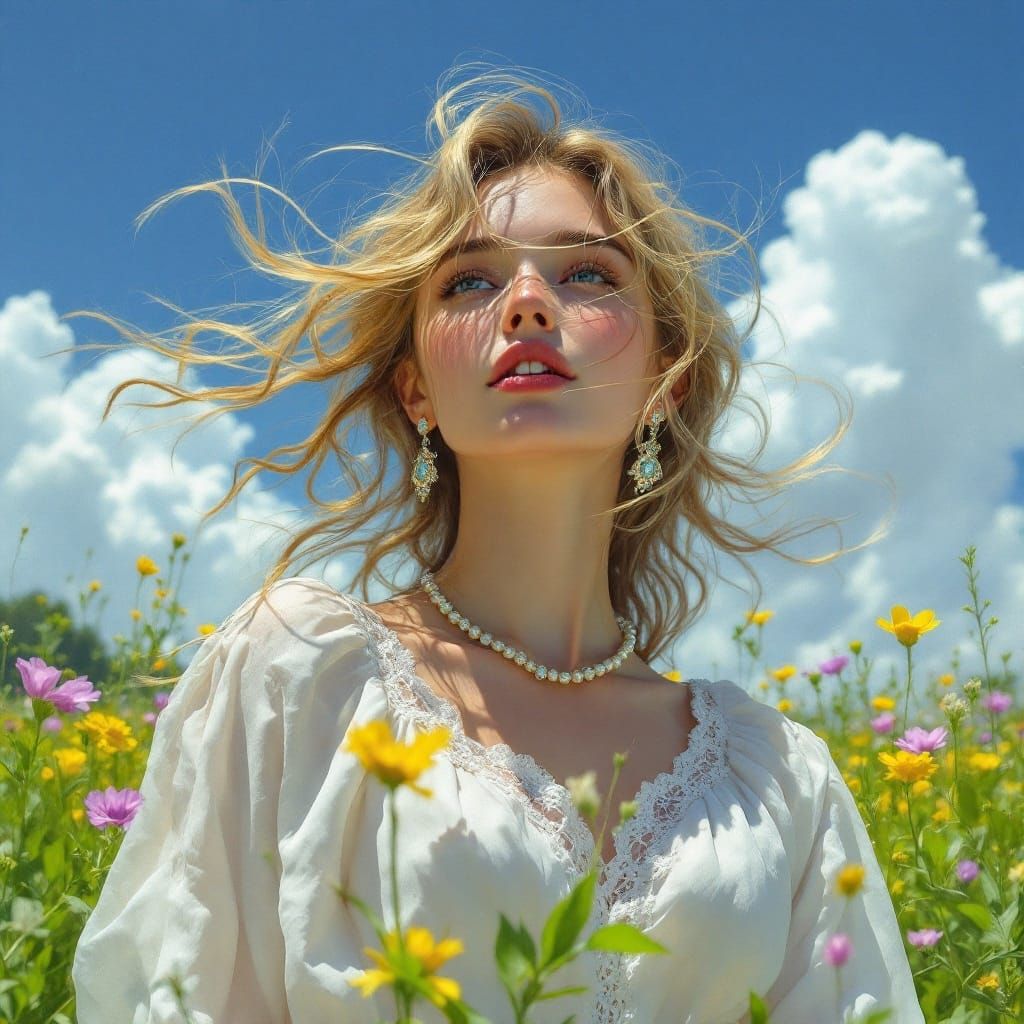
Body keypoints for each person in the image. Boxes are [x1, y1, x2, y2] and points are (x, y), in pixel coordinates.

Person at [69, 67, 922, 1023]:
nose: (526, 303)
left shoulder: (779, 778)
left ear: (663, 382)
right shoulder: (301, 675)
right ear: (416, 393)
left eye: (587, 273)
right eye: (469, 279)